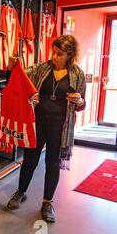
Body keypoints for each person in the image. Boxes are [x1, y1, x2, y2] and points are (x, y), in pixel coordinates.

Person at [6, 35, 86, 223]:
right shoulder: (42, 68)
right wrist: (12, 67)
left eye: (59, 54)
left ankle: (47, 202)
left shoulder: (78, 74)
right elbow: (19, 79)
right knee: (30, 159)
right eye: (53, 52)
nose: (54, 57)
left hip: (60, 125)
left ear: (70, 55)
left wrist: (80, 100)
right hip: (38, 121)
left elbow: (82, 103)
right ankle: (21, 192)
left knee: (52, 164)